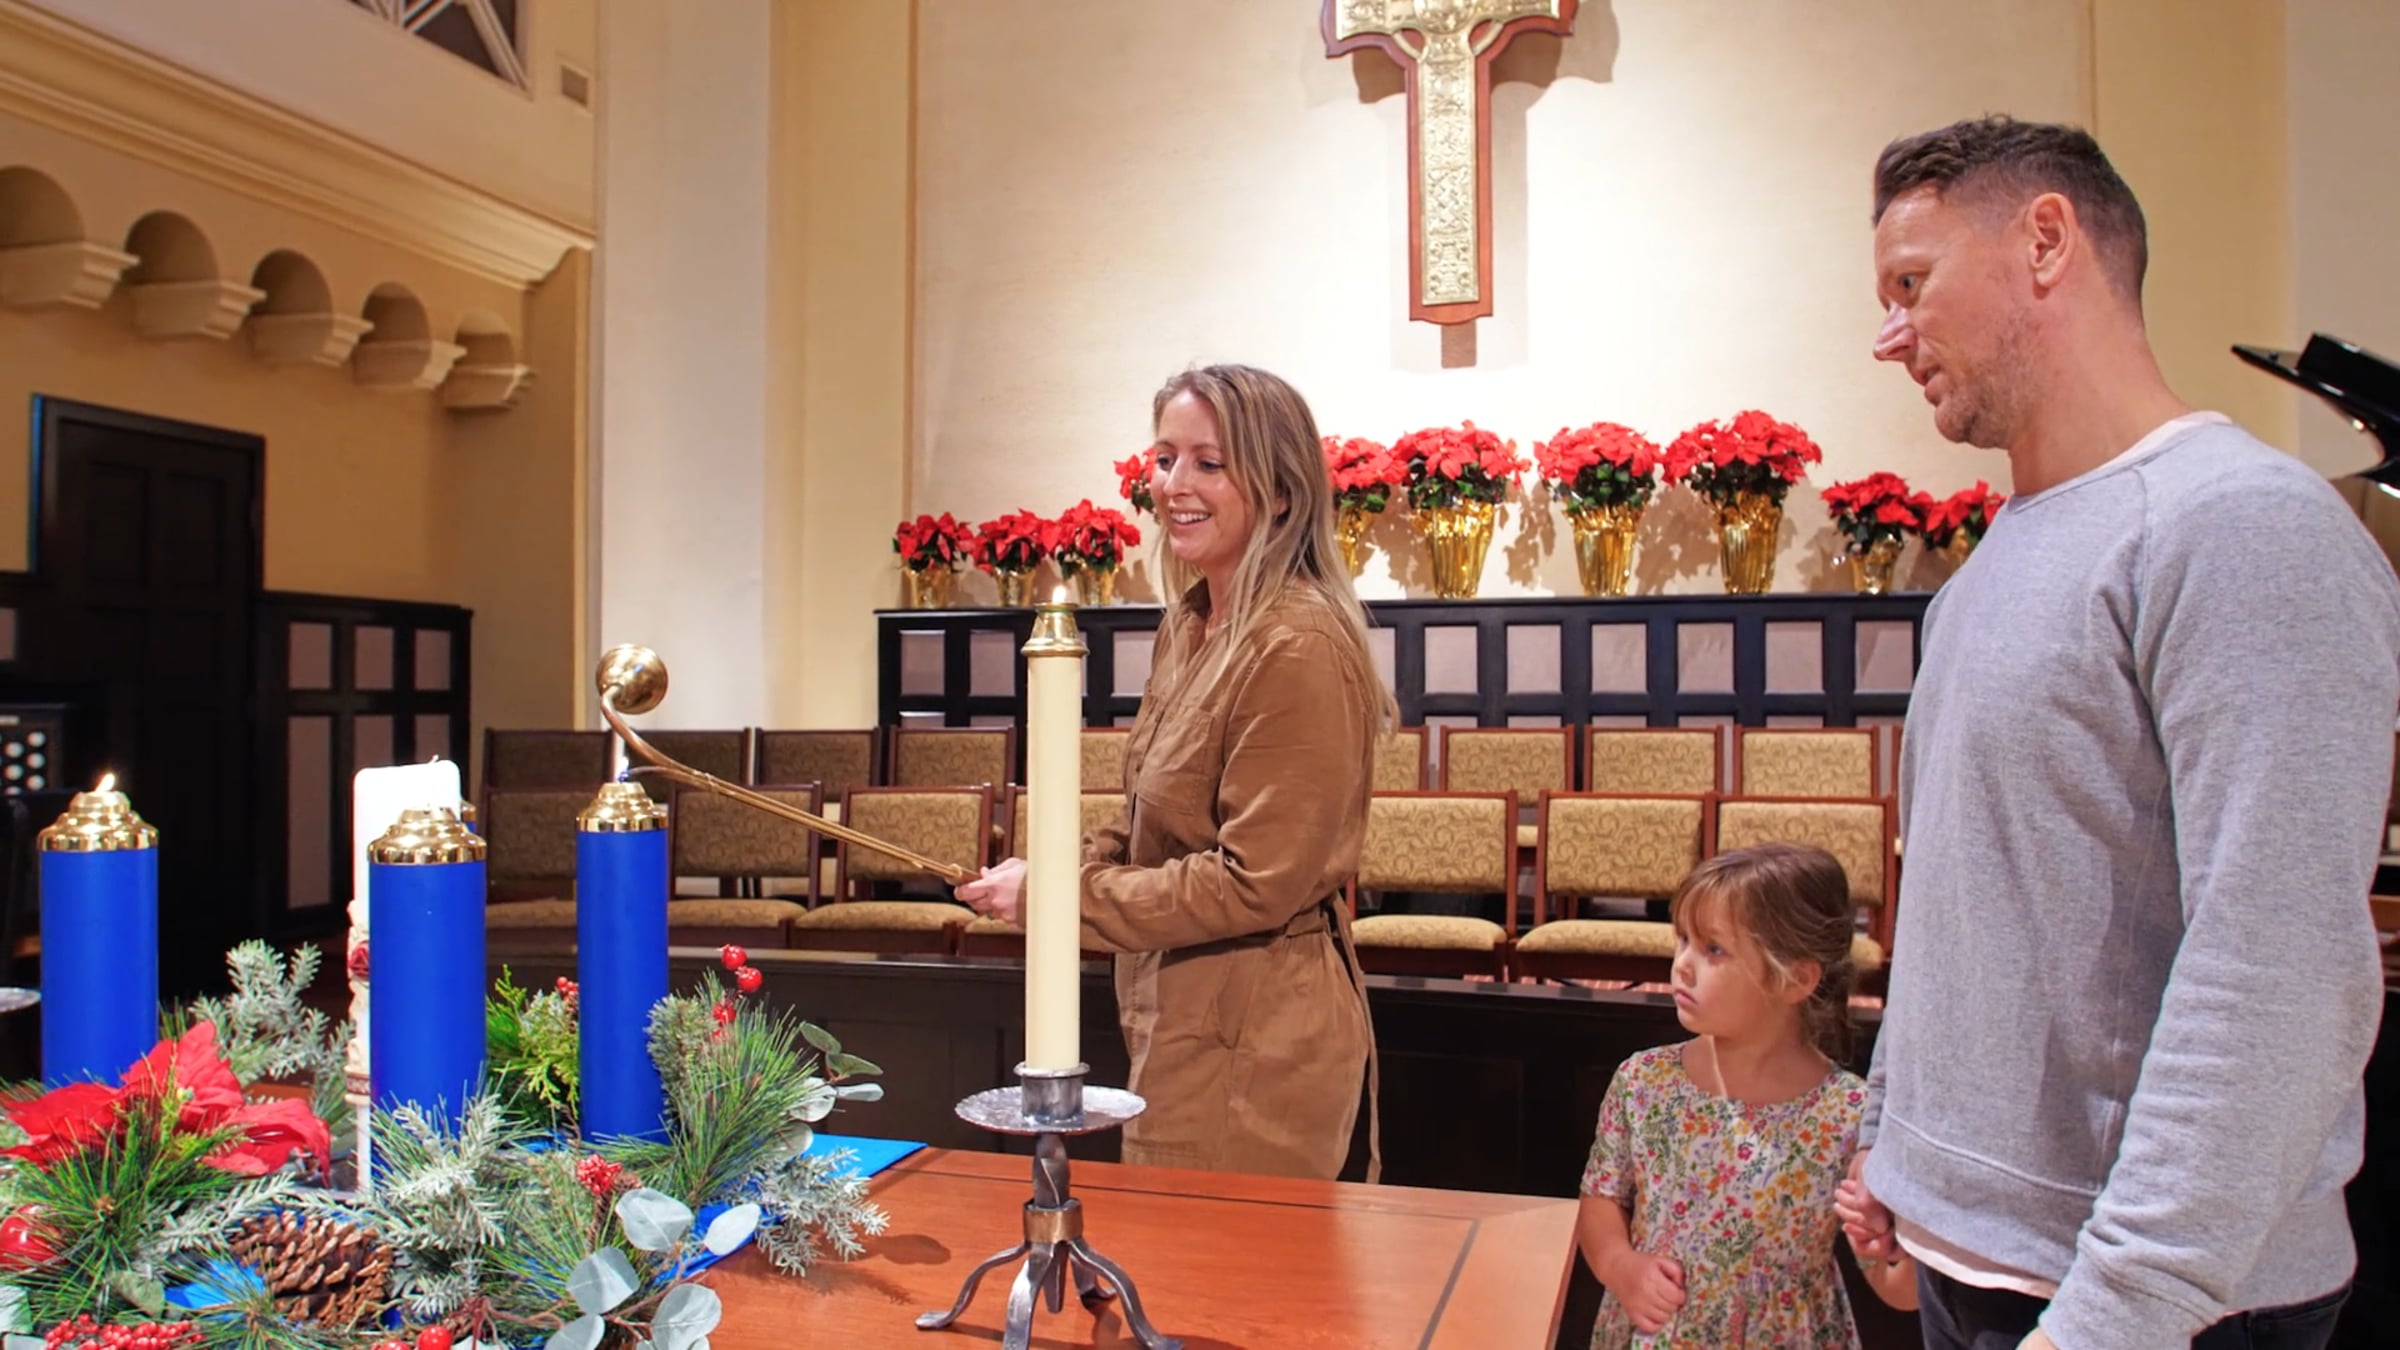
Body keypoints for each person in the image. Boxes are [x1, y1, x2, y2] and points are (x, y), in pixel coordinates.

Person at [1838, 114, 2400, 1350]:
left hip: (2151, 1303)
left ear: (2046, 240)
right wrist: (1895, 1141)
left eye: (1911, 286)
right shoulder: (1991, 566)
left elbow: (2278, 965)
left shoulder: (2242, 526)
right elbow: (1958, 897)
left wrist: (2124, 1309)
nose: (1887, 337)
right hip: (1973, 1259)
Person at [956, 362, 1390, 1181]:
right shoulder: (1193, 622)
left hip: (1258, 1034)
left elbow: (1253, 883)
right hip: (1185, 1010)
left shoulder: (1296, 645)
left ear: (1282, 491)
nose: (1173, 485)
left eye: (1208, 462)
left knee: (1217, 1259)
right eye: (1164, 458)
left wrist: (1059, 899)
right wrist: (1056, 870)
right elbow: (1147, 814)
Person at [1577, 843, 1908, 1348]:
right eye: (1682, 940)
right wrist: (1621, 1266)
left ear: (1796, 978)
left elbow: (1893, 1284)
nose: (1682, 965)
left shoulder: (1849, 1114)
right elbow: (1601, 1200)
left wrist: (1907, 1254)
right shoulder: (1644, 1082)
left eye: (1713, 949)